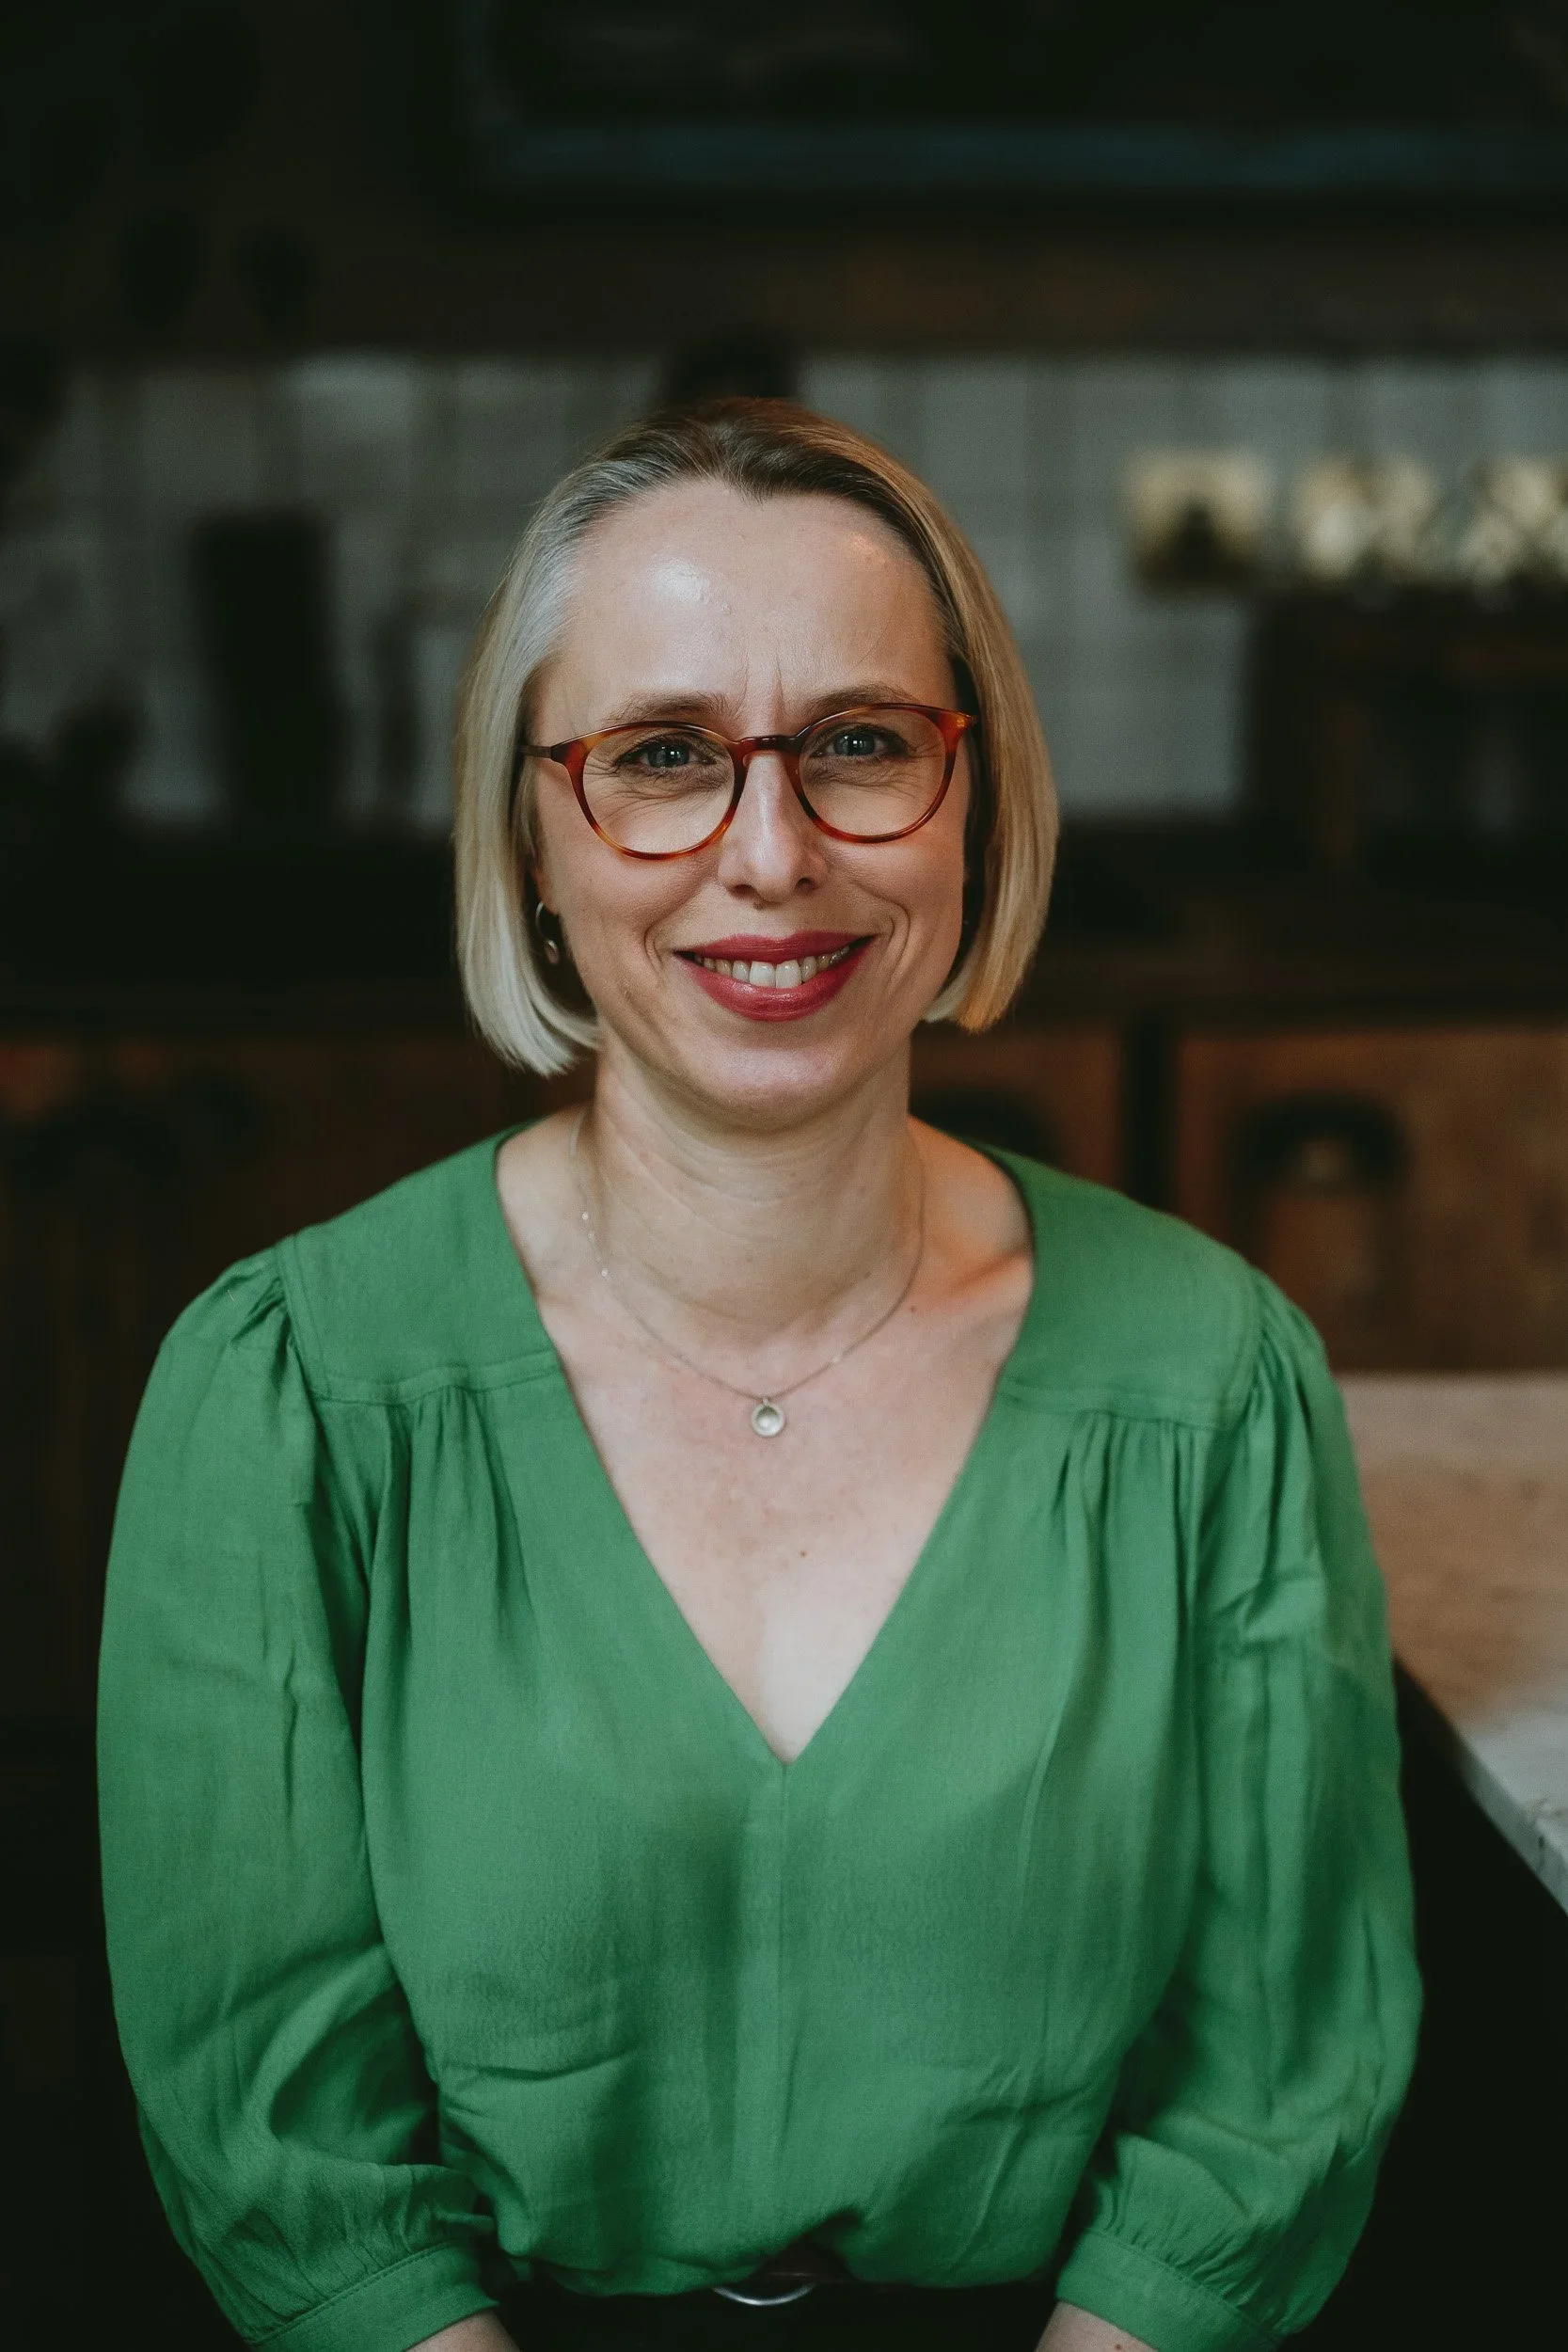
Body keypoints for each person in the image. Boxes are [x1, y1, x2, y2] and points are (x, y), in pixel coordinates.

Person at [99, 400, 1420, 2352]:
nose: (771, 851)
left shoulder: (1212, 1381)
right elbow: (282, 2133)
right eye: (658, 757)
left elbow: (1271, 2081)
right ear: (531, 835)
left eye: (861, 745)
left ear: (971, 804)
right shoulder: (289, 1387)